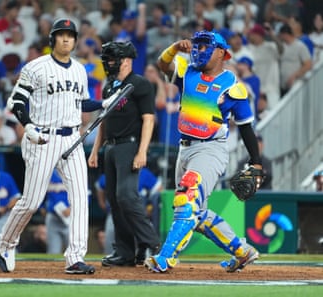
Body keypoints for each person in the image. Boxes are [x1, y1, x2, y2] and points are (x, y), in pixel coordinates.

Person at [0, 19, 116, 275]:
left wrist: (102, 103)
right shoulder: (36, 67)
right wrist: (27, 126)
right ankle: (7, 243)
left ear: (75, 40)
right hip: (42, 137)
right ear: (53, 39)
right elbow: (16, 100)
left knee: (80, 197)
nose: (66, 40)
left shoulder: (80, 70)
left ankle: (75, 257)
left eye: (70, 36)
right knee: (31, 201)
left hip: (72, 139)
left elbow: (81, 103)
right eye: (61, 35)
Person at [144, 30, 263, 273]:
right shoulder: (188, 72)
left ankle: (165, 257)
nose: (198, 50)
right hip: (184, 149)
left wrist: (257, 162)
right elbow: (162, 64)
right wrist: (175, 47)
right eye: (197, 45)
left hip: (211, 149)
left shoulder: (233, 86)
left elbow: (246, 128)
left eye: (205, 46)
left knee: (186, 201)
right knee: (195, 214)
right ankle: (242, 251)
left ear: (221, 52)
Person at [87, 41, 160, 267]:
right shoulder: (109, 86)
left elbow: (149, 119)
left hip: (129, 145)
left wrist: (142, 151)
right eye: (107, 59)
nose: (109, 64)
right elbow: (103, 120)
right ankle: (126, 252)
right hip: (110, 147)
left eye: (112, 59)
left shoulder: (140, 84)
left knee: (127, 195)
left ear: (126, 61)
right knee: (115, 202)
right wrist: (96, 149)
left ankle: (152, 242)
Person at [95, 167, 163, 256]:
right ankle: (111, 261)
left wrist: (150, 207)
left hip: (137, 214)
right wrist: (102, 203)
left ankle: (147, 259)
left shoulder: (143, 173)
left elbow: (159, 190)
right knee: (110, 239)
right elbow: (99, 186)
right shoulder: (114, 172)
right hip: (115, 213)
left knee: (144, 240)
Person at [44, 169, 70, 254]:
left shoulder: (75, 172)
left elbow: (86, 195)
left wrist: (72, 208)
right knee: (53, 251)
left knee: (73, 250)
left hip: (71, 218)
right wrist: (42, 208)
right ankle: (51, 267)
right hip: (53, 217)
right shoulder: (48, 174)